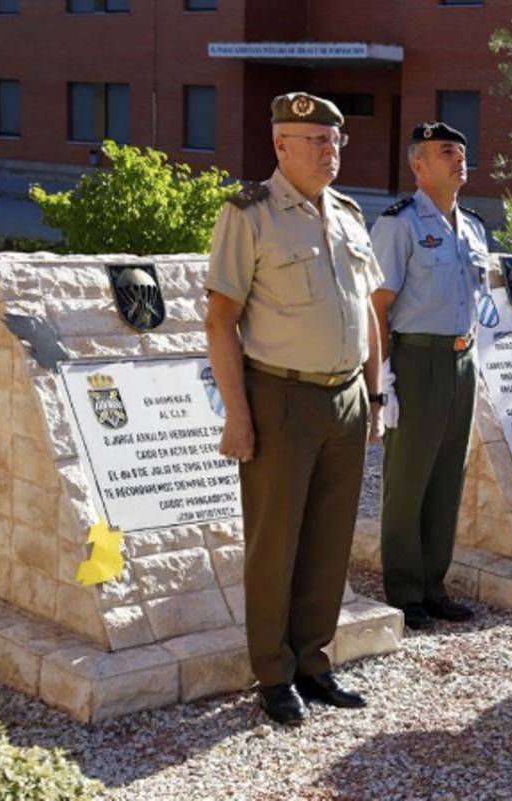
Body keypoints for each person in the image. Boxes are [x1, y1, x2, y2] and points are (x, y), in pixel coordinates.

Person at [204, 92, 384, 725]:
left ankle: (314, 660)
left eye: (334, 141)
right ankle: (274, 674)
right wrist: (237, 414)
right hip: (280, 396)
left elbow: (365, 311)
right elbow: (220, 320)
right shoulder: (249, 215)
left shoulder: (350, 215)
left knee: (329, 541)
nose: (327, 151)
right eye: (313, 141)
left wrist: (375, 393)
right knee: (275, 543)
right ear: (280, 144)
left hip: (347, 399)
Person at [370, 121, 491, 631]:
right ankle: (404, 589)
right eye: (446, 151)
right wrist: (383, 377)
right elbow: (378, 304)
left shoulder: (474, 227)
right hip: (416, 360)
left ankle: (434, 584)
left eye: (461, 150)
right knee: (409, 477)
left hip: (462, 360)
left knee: (447, 476)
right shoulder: (398, 224)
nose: (459, 158)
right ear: (418, 165)